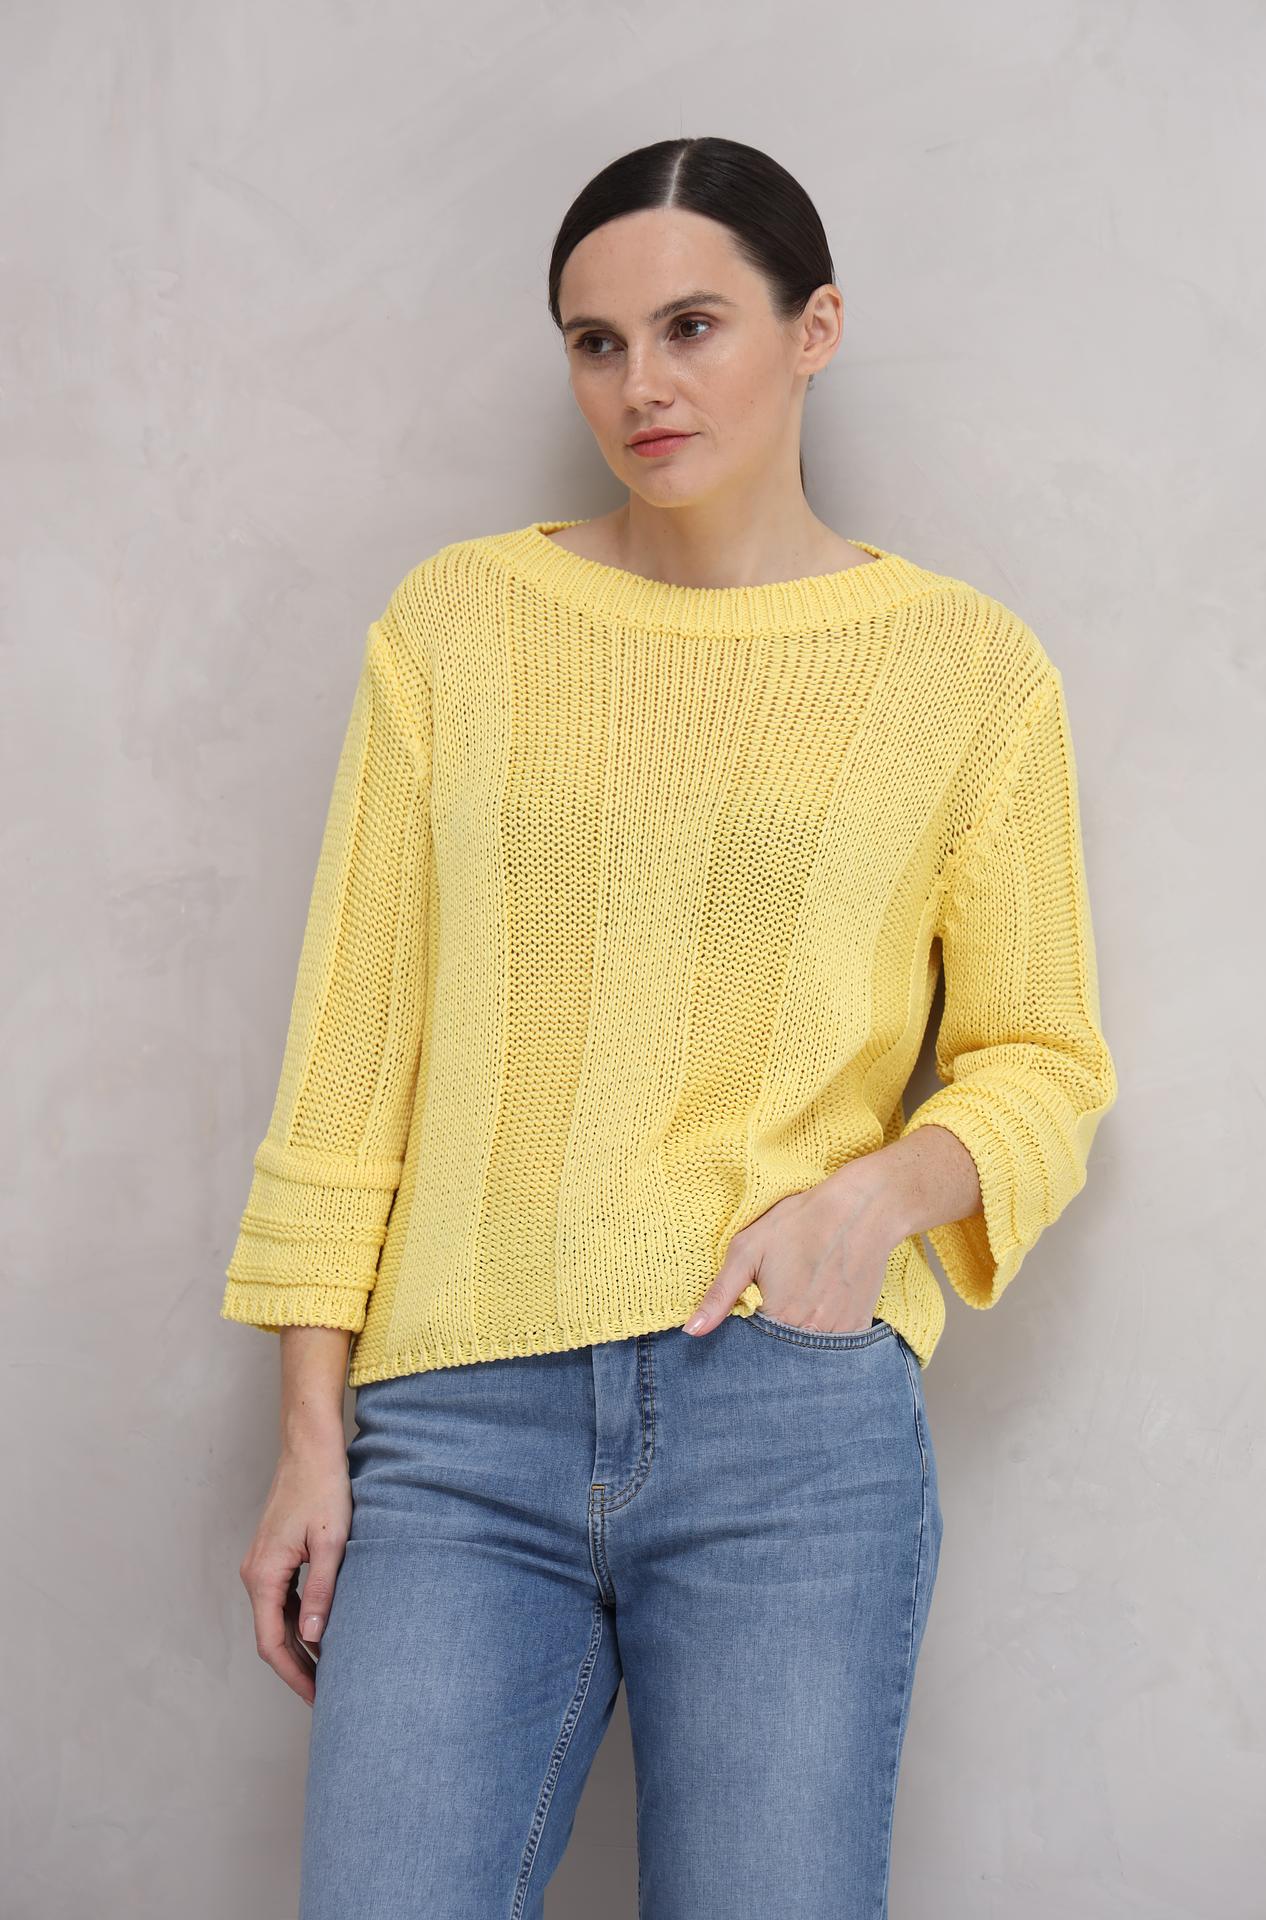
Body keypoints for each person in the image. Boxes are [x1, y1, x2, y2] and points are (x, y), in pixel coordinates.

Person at [222, 135, 1119, 1919]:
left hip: (792, 1425)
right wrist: (311, 1439)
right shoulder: (460, 625)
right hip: (456, 1433)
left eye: (693, 326)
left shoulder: (965, 669)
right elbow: (350, 1057)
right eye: (597, 341)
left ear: (815, 329)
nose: (642, 383)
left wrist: (875, 1200)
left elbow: (1045, 1056)